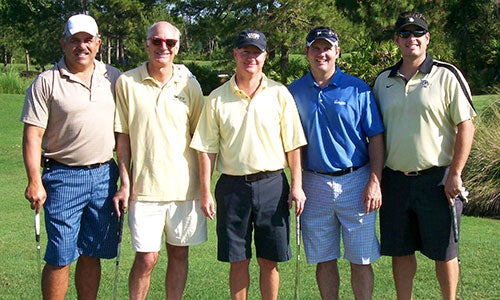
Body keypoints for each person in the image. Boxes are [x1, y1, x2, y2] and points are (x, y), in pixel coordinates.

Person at [190, 29, 307, 300]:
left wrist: (297, 187)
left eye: (256, 52)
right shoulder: (217, 97)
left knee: (269, 260)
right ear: (235, 54)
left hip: (273, 186)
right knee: (238, 259)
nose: (250, 58)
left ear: (265, 56)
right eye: (245, 52)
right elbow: (206, 149)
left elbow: (293, 145)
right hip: (232, 188)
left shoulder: (279, 94)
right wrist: (206, 192)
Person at [373, 12, 476, 300]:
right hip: (395, 182)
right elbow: (375, 134)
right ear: (396, 40)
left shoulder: (446, 74)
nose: (411, 39)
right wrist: (376, 178)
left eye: (417, 33)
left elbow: (466, 125)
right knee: (401, 251)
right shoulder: (383, 81)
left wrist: (455, 173)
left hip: (438, 180)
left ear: (427, 38)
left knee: (444, 252)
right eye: (404, 34)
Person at [20, 14, 121, 299]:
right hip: (63, 176)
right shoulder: (46, 81)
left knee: (93, 251)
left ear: (98, 44)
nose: (82, 46)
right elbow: (32, 136)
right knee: (61, 254)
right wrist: (34, 181)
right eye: (74, 40)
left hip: (104, 176)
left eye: (88, 40)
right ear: (63, 43)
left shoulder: (112, 77)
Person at [288, 26, 385, 299]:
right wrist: (296, 184)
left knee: (361, 258)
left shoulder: (357, 89)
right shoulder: (293, 92)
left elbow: (375, 137)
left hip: (357, 180)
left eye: (327, 48)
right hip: (313, 182)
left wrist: (374, 182)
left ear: (337, 52)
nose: (322, 54)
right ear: (307, 52)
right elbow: (290, 143)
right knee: (324, 258)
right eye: (315, 48)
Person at [113, 21, 207, 300]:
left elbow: (202, 140)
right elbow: (123, 138)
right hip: (144, 190)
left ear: (178, 47)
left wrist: (205, 189)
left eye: (170, 42)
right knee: (147, 258)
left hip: (184, 189)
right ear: (146, 44)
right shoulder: (127, 82)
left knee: (179, 254)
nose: (162, 47)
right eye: (156, 41)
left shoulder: (189, 84)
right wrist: (124, 182)